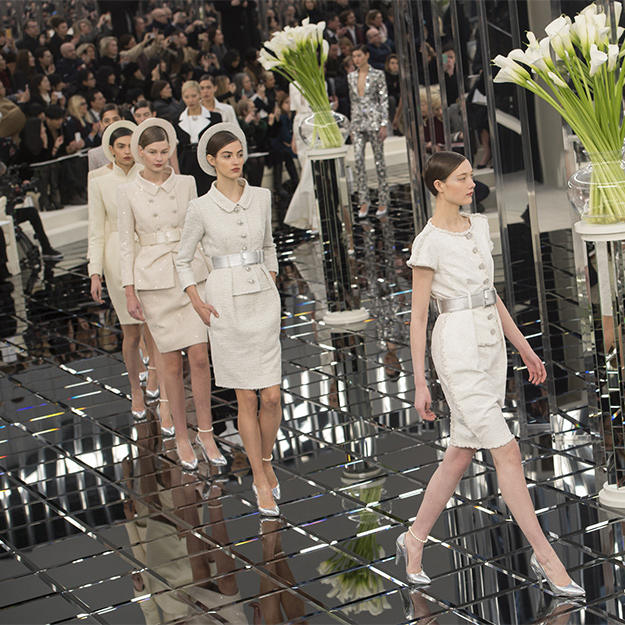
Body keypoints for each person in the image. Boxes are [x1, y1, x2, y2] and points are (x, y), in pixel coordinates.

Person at [400, 151, 585, 598]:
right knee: (507, 449)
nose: (472, 184)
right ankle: (546, 557)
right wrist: (421, 381)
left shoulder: (479, 226)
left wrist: (524, 346)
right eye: (463, 178)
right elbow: (419, 317)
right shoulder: (427, 243)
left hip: (490, 350)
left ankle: (414, 538)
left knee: (460, 455)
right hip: (456, 349)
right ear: (440, 186)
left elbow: (491, 295)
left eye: (471, 176)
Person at [175, 123, 282, 516]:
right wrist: (196, 300)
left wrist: (271, 277)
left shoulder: (262, 197)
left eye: (239, 154)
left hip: (263, 301)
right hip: (225, 304)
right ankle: (259, 478)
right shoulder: (200, 208)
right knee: (247, 397)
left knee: (272, 397)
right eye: (227, 156)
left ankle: (265, 461)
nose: (236, 161)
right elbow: (182, 258)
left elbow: (269, 244)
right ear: (211, 161)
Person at [118, 119, 224, 471]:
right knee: (171, 364)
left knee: (200, 357)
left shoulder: (187, 183)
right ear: (140, 152)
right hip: (154, 282)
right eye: (152, 152)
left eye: (165, 151)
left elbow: (200, 231)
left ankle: (206, 433)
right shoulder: (128, 191)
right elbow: (125, 245)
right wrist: (129, 291)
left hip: (191, 272)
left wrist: (214, 272)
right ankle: (181, 436)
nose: (159, 158)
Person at [88, 120, 163, 427]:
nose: (126, 151)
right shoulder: (98, 179)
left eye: (130, 145)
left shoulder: (148, 173)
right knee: (131, 332)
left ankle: (155, 376)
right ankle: (135, 388)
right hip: (116, 258)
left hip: (148, 252)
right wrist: (94, 272)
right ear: (110, 149)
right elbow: (95, 228)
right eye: (120, 146)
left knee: (154, 324)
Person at [348, 45, 390, 218]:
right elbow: (352, 102)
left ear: (366, 55)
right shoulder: (351, 76)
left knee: (379, 161)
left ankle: (383, 199)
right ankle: (364, 200)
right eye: (354, 56)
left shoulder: (378, 74)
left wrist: (384, 124)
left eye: (359, 55)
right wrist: (352, 126)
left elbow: (383, 100)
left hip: (374, 120)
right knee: (358, 160)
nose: (356, 59)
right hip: (357, 122)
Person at [174, 80, 222, 196]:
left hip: (207, 163)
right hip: (185, 164)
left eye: (194, 96)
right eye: (186, 97)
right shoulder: (176, 120)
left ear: (200, 95)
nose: (190, 100)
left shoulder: (215, 118)